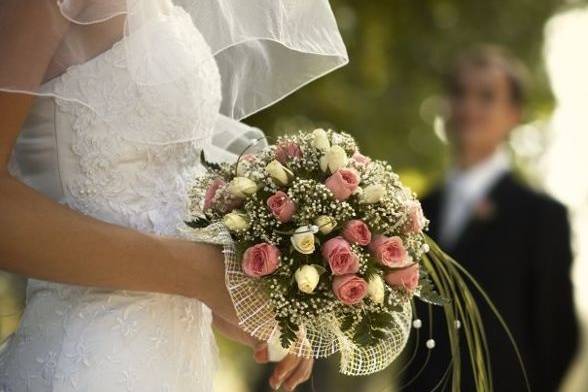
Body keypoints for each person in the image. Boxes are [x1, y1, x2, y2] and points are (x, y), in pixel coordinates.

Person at [0, 1, 348, 391]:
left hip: (177, 362)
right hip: (88, 365)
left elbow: (155, 194)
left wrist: (241, 297)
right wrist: (206, 276)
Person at [405, 45, 579, 391]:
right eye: (460, 94)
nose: (469, 107)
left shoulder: (542, 217)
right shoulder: (416, 210)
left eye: (486, 96)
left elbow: (558, 338)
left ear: (514, 113)